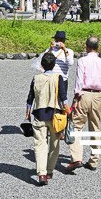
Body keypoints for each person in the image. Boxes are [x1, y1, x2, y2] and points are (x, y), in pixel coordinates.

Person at [65, 36, 101, 172]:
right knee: (95, 127)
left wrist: (76, 97)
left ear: (86, 47)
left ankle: (76, 158)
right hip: (97, 95)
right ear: (98, 48)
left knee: (76, 126)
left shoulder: (82, 61)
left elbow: (79, 80)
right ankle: (94, 160)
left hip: (83, 94)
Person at [26, 51, 69, 185]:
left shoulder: (36, 78)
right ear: (54, 64)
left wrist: (27, 112)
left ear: (42, 65)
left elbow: (30, 97)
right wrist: (68, 111)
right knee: (54, 145)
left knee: (39, 144)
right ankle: (49, 170)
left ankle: (41, 173)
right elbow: (63, 97)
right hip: (55, 115)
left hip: (39, 114)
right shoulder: (58, 77)